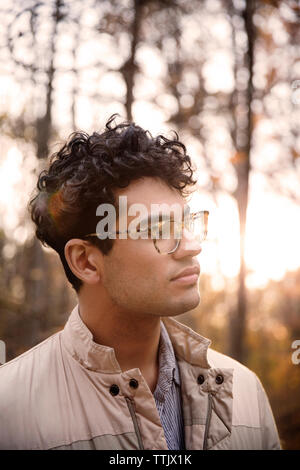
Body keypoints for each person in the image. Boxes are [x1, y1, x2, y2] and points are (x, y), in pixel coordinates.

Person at [0, 115, 281, 450]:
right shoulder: (10, 411)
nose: (193, 246)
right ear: (86, 261)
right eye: (160, 230)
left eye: (187, 223)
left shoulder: (244, 392)